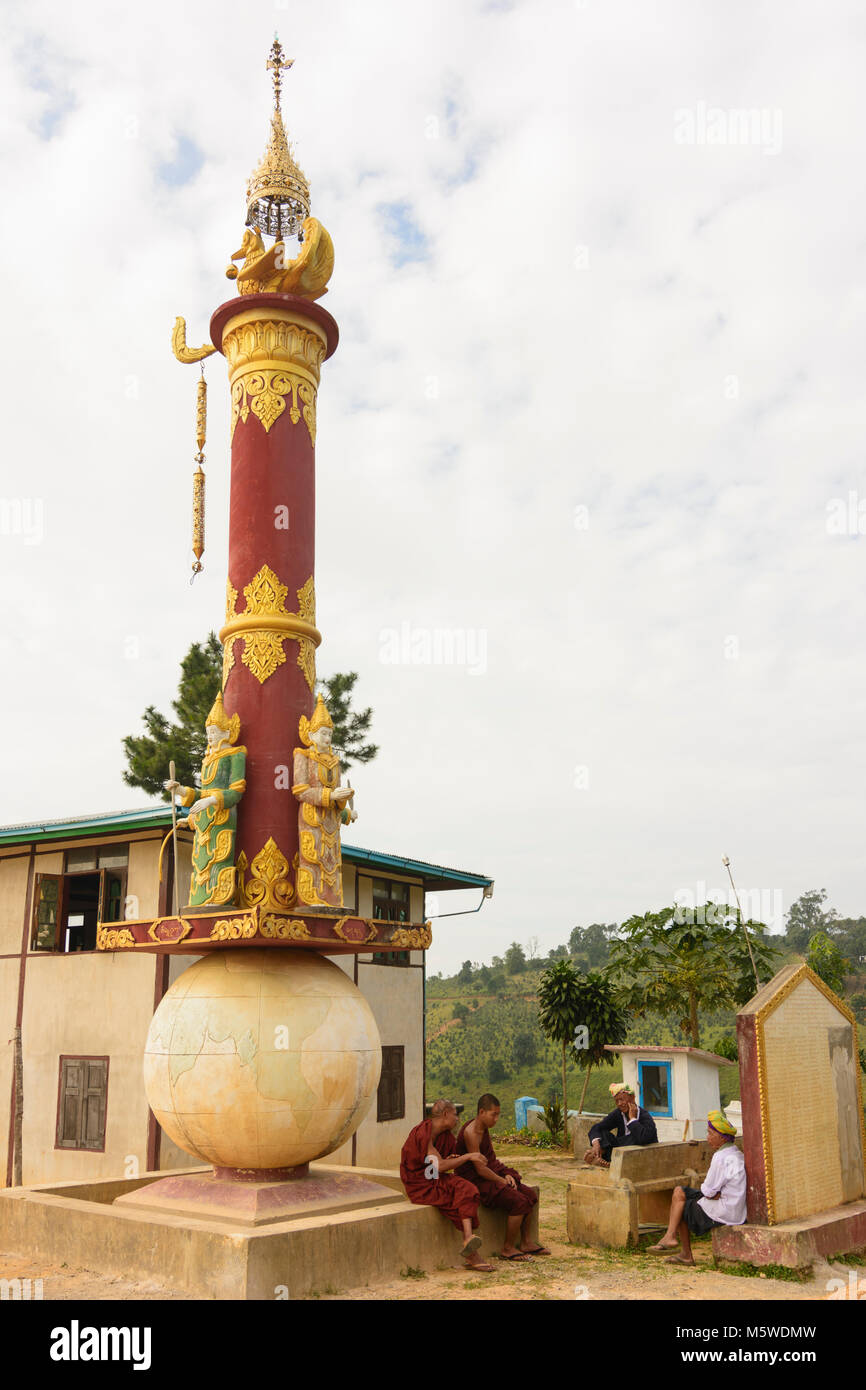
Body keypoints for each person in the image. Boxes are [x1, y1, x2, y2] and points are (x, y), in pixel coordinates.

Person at [400, 1100, 493, 1272]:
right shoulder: (423, 1133)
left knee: (468, 1189)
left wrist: (452, 1159)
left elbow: (439, 1164)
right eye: (455, 1115)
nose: (457, 1119)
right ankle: (470, 1247)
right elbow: (438, 1166)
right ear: (445, 1115)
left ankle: (468, 1240)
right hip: (420, 1185)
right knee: (462, 1191)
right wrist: (468, 1156)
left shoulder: (445, 1136)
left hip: (435, 1178)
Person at [457, 1093, 550, 1260]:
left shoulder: (484, 1129)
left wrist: (506, 1174)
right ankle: (507, 1248)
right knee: (518, 1201)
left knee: (529, 1194)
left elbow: (490, 1160)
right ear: (481, 1112)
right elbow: (479, 1169)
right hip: (475, 1180)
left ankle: (526, 1242)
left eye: (498, 1114)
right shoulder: (471, 1133)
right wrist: (502, 1180)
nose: (496, 1119)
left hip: (489, 1173)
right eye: (494, 1114)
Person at [647, 1110, 746, 1265]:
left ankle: (680, 1247)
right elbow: (713, 1191)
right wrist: (715, 1193)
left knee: (680, 1204)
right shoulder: (737, 1154)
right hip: (736, 1210)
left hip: (724, 1211)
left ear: (721, 1137)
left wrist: (714, 1193)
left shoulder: (720, 1157)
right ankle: (670, 1237)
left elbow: (707, 1191)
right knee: (679, 1192)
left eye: (710, 1134)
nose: (708, 1138)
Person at [583, 1082, 658, 1166]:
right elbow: (597, 1127)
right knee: (602, 1132)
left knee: (634, 1137)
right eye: (616, 1101)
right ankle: (599, 1154)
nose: (619, 1104)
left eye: (622, 1099)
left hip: (641, 1153)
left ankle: (608, 1160)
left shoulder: (645, 1116)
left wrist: (632, 1119)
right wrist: (596, 1144)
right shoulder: (618, 1113)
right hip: (620, 1151)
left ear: (632, 1098)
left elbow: (643, 1139)